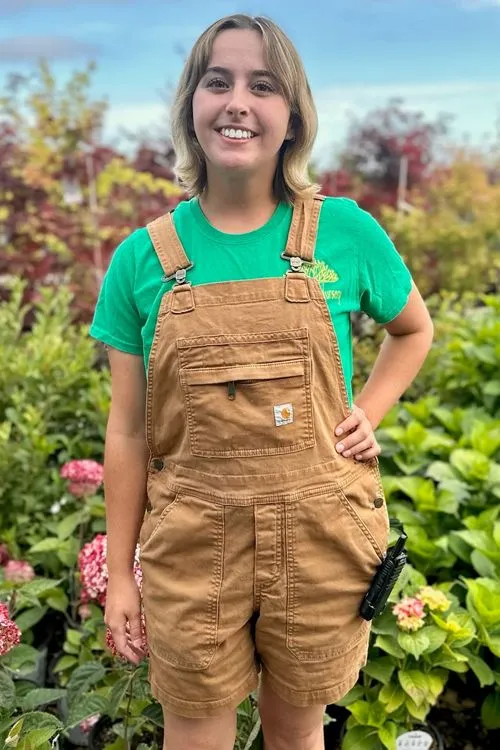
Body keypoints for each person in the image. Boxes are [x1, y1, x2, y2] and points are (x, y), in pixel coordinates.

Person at [90, 13, 434, 750]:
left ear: (293, 117)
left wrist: (368, 409)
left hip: (320, 535)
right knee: (195, 733)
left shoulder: (344, 232)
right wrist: (122, 575)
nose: (237, 101)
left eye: (262, 85)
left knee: (297, 730)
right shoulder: (141, 262)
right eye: (218, 82)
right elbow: (127, 429)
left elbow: (414, 330)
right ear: (191, 107)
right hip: (191, 543)